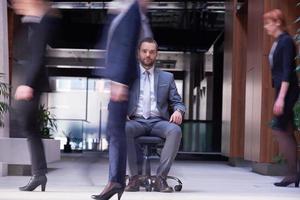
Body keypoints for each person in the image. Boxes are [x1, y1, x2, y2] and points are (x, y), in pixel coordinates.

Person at [91, 1, 151, 199]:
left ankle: (116, 181)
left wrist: (120, 81)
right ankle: (116, 180)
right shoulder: (127, 12)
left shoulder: (131, 12)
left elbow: (126, 44)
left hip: (121, 79)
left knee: (115, 133)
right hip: (119, 78)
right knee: (114, 132)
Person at [11, 0, 60, 192]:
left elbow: (37, 55)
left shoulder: (41, 22)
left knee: (28, 127)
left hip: (31, 83)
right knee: (29, 128)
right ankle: (39, 174)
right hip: (28, 81)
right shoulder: (30, 22)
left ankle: (39, 173)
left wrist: (27, 84)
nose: (14, 4)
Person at [125, 37, 185, 193]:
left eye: (152, 52)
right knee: (124, 129)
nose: (148, 55)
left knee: (175, 130)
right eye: (144, 51)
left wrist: (178, 110)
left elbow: (177, 101)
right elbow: (116, 101)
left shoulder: (167, 77)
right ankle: (134, 178)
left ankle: (160, 178)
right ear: (139, 53)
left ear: (156, 54)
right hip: (135, 120)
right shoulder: (129, 76)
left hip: (159, 121)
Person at [264, 9, 300, 187]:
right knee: (286, 128)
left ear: (278, 22)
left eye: (268, 23)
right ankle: (293, 173)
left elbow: (287, 70)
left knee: (279, 128)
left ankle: (292, 172)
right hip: (282, 89)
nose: (266, 27)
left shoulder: (286, 41)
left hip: (287, 90)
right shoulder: (278, 41)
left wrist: (281, 98)